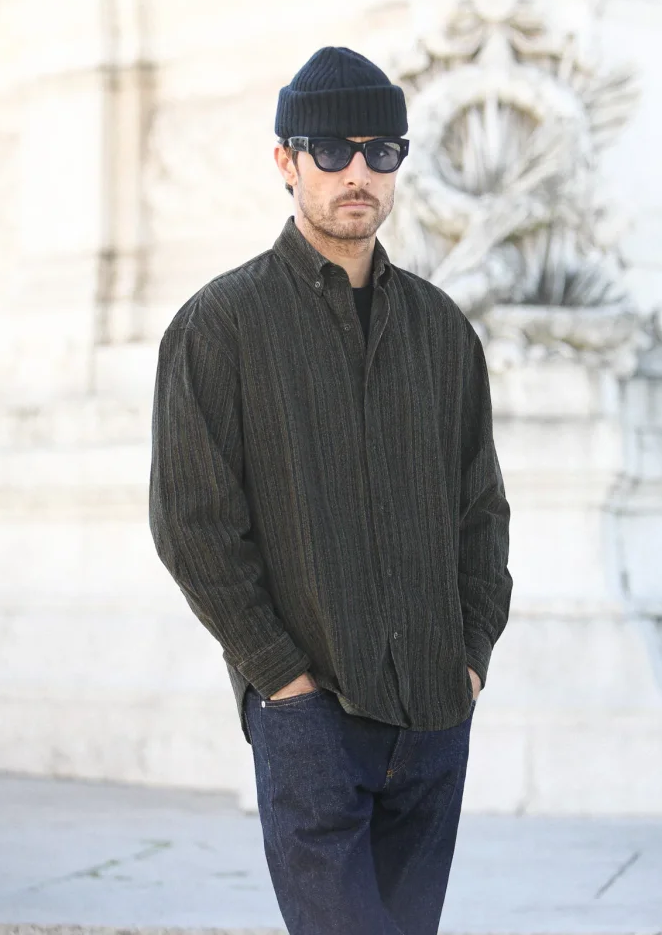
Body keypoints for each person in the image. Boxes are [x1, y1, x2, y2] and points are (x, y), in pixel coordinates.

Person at [149, 46, 512, 935]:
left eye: (380, 152)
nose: (359, 172)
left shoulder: (442, 331)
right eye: (332, 150)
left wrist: (469, 658)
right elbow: (193, 524)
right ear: (287, 160)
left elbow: (481, 513)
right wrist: (282, 681)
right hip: (310, 717)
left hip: (435, 713)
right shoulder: (219, 326)